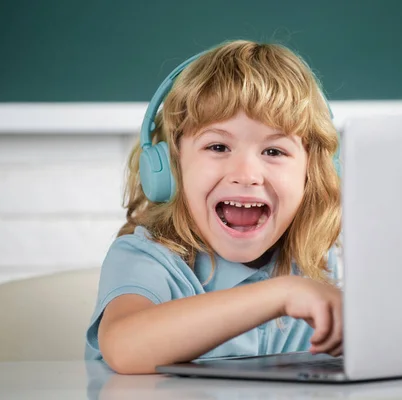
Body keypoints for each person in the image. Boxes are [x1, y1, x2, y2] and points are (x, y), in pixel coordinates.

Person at [85, 40, 342, 374]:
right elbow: (125, 347)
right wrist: (281, 294)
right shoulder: (147, 259)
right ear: (172, 167)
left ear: (313, 173)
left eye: (274, 151)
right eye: (218, 146)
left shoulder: (314, 263)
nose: (246, 175)